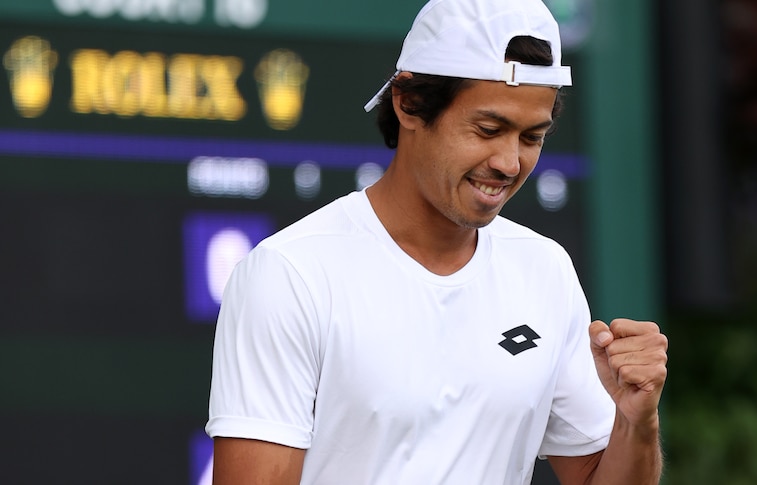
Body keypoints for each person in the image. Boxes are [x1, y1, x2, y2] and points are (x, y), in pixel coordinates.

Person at [205, 0, 669, 483]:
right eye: (488, 130)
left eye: (532, 137)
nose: (510, 163)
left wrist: (636, 420)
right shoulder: (289, 273)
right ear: (407, 103)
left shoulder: (545, 268)